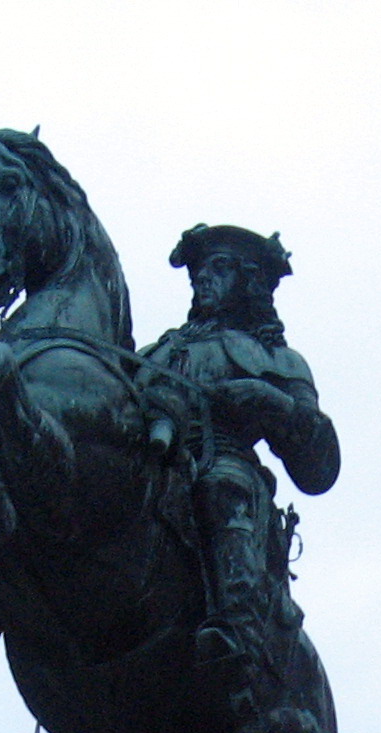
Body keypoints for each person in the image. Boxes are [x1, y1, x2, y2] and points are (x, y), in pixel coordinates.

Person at [142, 225, 340, 693]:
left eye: (219, 268)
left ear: (249, 281)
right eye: (198, 270)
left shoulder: (279, 360)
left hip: (223, 462)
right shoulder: (158, 351)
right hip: (150, 463)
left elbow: (320, 465)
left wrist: (270, 402)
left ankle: (238, 632)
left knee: (220, 486)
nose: (201, 279)